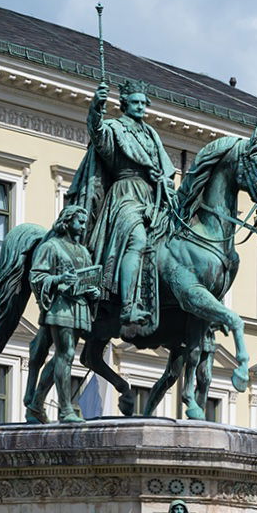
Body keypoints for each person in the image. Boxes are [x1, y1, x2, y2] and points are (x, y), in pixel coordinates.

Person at [69, 77, 176, 331]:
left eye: (143, 103)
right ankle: (128, 305)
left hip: (154, 197)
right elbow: (97, 134)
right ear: (125, 104)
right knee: (137, 240)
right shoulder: (114, 128)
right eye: (135, 102)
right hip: (125, 194)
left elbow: (165, 169)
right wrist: (96, 107)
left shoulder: (151, 134)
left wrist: (163, 178)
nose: (140, 107)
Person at [26, 204, 100, 423]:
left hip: (79, 306)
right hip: (60, 306)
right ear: (67, 222)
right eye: (80, 221)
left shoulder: (83, 252)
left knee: (63, 356)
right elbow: (36, 276)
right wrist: (58, 280)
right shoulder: (51, 247)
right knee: (65, 354)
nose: (83, 226)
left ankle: (36, 403)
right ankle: (65, 409)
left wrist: (93, 291)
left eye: (85, 222)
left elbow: (87, 279)